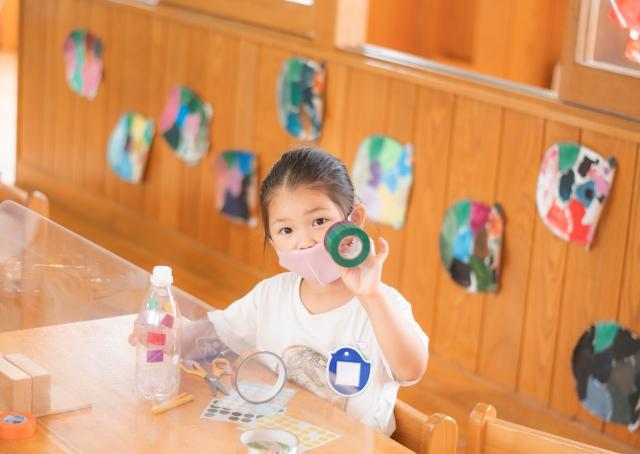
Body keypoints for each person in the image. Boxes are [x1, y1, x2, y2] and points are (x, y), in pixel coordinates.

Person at [131, 147, 429, 435]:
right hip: (283, 438)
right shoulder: (271, 296)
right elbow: (215, 334)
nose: (305, 242)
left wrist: (372, 296)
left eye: (319, 221)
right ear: (272, 242)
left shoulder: (382, 303)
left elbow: (411, 370)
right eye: (286, 230)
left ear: (354, 220)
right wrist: (165, 335)